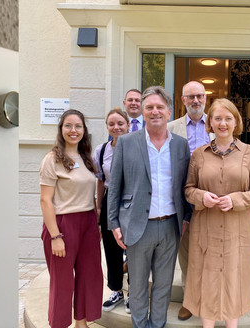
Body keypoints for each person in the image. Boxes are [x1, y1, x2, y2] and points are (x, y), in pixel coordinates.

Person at [107, 86, 192, 328]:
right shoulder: (125, 142)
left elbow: (185, 186)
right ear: (142, 112)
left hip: (169, 226)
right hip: (136, 226)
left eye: (159, 107)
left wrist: (186, 219)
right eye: (149, 107)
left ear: (169, 111)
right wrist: (114, 223)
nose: (155, 111)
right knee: (138, 285)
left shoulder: (180, 145)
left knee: (163, 286)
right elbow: (115, 186)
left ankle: (157, 325)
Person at [183, 98, 250, 328]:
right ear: (209, 122)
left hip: (236, 229)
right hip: (206, 228)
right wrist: (202, 197)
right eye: (217, 118)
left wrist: (235, 199)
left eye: (228, 118)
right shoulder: (199, 154)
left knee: (233, 278)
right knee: (207, 278)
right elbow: (188, 189)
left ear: (236, 122)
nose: (222, 123)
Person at [39, 109, 103, 328]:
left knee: (88, 277)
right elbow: (46, 201)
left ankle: (81, 323)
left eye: (78, 126)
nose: (73, 130)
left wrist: (96, 224)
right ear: (61, 129)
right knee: (63, 282)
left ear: (84, 131)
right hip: (63, 224)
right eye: (68, 125)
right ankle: (58, 324)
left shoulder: (87, 158)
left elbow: (91, 194)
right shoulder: (52, 159)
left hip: (88, 223)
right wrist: (55, 236)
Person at [167, 80, 211, 321]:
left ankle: (211, 299)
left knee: (211, 253)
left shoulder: (217, 124)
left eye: (200, 96)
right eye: (191, 97)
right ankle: (189, 300)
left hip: (213, 198)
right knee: (187, 254)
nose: (196, 100)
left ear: (206, 98)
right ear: (183, 100)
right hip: (183, 199)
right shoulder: (171, 128)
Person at [94, 108, 130, 313]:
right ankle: (116, 289)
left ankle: (133, 292)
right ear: (107, 126)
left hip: (131, 201)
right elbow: (100, 181)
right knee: (111, 247)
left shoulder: (137, 146)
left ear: (127, 124)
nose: (116, 127)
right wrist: (99, 207)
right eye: (111, 124)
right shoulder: (101, 151)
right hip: (110, 201)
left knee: (133, 247)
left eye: (120, 123)